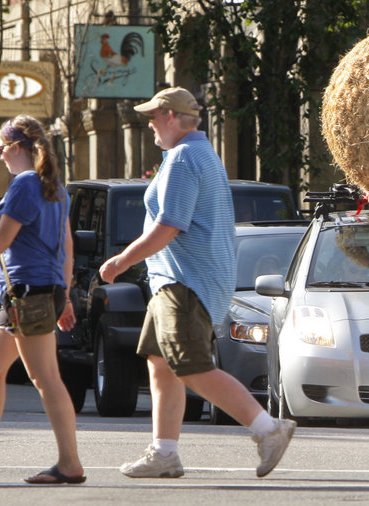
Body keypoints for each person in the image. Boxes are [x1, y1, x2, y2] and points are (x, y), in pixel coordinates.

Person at [99, 87, 295, 479]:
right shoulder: (192, 154)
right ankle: (164, 453)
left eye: (153, 117)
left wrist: (121, 261)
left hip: (183, 282)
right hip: (174, 281)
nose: (150, 125)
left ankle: (269, 430)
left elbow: (170, 224)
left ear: (170, 116)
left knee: (189, 366)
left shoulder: (185, 158)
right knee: (161, 364)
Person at [0, 115, 85, 484]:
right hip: (36, 292)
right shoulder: (54, 186)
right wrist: (65, 295)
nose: (1, 155)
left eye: (3, 147)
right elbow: (66, 247)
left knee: (46, 379)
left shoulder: (26, 184)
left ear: (19, 147)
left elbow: (2, 239)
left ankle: (70, 463)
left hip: (29, 293)